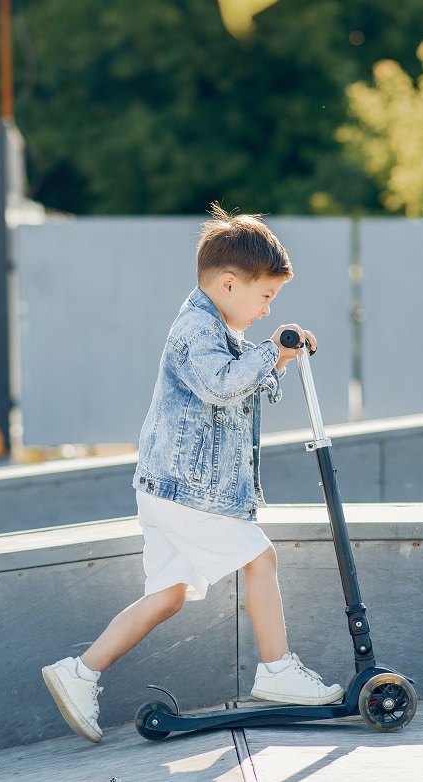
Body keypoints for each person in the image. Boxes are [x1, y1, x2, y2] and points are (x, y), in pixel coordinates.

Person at [41, 203, 343, 743]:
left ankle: (79, 673)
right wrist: (269, 352)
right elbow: (223, 385)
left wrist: (278, 357)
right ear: (228, 284)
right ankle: (277, 670)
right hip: (187, 492)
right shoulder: (196, 330)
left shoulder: (217, 329)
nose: (267, 310)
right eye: (266, 296)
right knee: (261, 558)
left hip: (171, 489)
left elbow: (243, 383)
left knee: (169, 594)